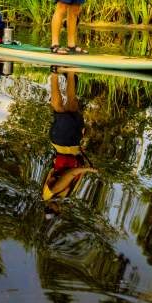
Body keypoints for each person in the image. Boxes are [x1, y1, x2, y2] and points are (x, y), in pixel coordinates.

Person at [42, 69, 97, 204]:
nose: (58, 210)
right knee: (72, 105)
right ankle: (71, 73)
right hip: (73, 143)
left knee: (59, 109)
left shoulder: (51, 193)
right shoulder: (62, 196)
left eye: (54, 211)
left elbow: (70, 173)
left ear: (51, 208)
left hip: (63, 143)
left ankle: (54, 74)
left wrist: (87, 169)